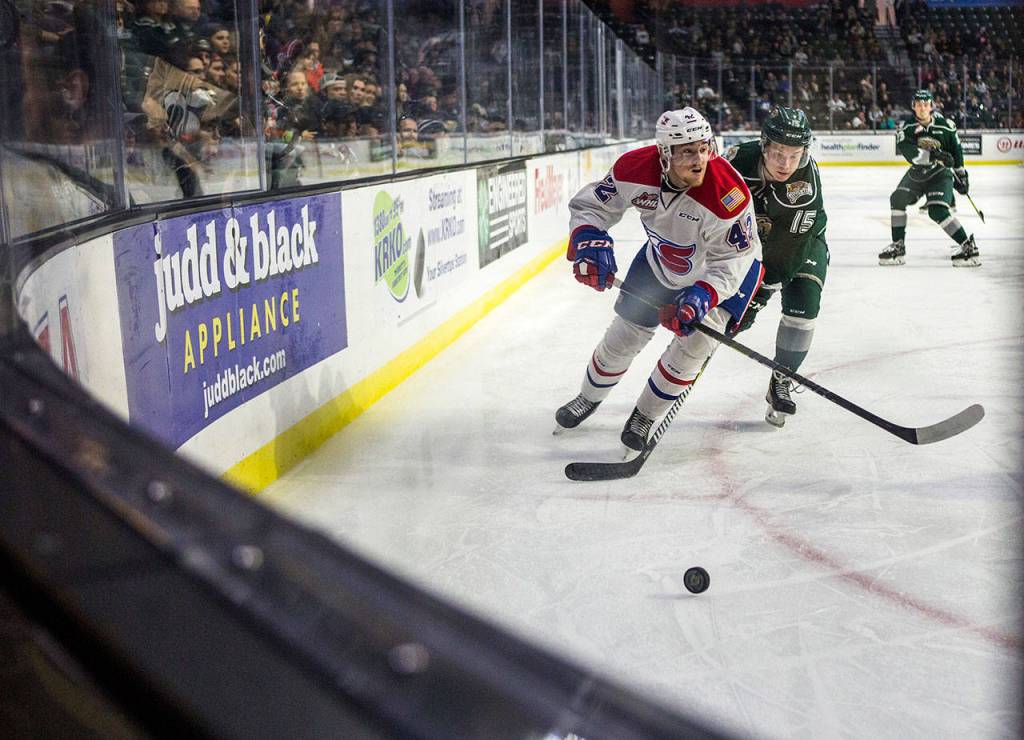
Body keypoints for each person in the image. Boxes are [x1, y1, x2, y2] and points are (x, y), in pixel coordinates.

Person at [554, 108, 764, 453]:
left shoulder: (728, 196)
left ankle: (645, 416)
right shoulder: (633, 169)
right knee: (624, 334)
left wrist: (702, 296)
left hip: (726, 274)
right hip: (664, 260)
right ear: (664, 153)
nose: (699, 160)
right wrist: (589, 237)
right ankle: (588, 398)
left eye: (703, 148)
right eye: (687, 151)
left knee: (693, 347)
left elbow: (733, 259)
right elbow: (592, 206)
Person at [724, 107, 828, 427]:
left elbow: (786, 254)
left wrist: (759, 295)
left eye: (795, 155)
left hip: (802, 241)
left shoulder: (804, 186)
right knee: (726, 321)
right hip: (749, 244)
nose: (786, 164)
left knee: (803, 306)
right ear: (764, 145)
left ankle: (782, 378)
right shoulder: (734, 161)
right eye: (779, 153)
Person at [879, 89, 978, 267]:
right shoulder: (907, 128)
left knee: (937, 212)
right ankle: (898, 245)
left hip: (940, 174)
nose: (922, 108)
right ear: (913, 107)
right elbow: (909, 153)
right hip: (918, 172)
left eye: (926, 104)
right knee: (897, 198)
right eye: (919, 104)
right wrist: (936, 157)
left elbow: (956, 151)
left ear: (931, 106)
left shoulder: (946, 125)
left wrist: (961, 176)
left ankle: (967, 247)